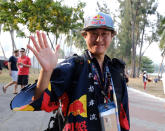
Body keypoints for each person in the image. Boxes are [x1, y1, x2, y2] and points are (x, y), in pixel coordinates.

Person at [13, 12, 130, 131]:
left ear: (112, 36)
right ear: (85, 35)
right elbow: (41, 100)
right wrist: (46, 71)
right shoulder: (73, 65)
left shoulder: (116, 71)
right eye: (94, 34)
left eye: (104, 34)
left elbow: (123, 115)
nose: (99, 39)